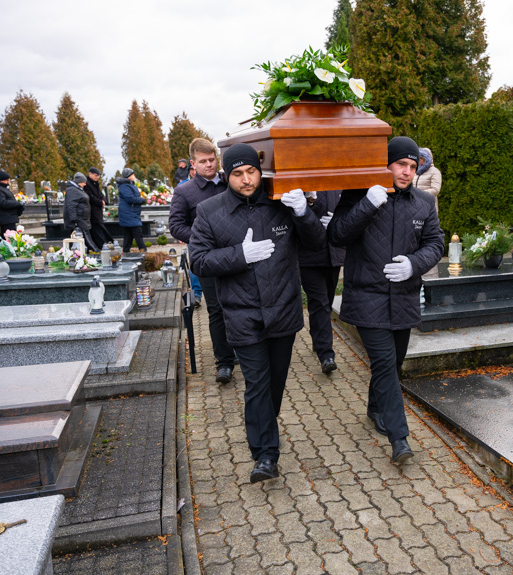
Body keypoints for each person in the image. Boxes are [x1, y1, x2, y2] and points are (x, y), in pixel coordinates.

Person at [189, 143, 325, 483]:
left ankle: (264, 425)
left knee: (275, 383)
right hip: (242, 313)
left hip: (283, 310)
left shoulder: (280, 205)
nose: (246, 180)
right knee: (257, 384)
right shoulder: (209, 211)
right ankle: (265, 455)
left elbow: (317, 243)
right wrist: (240, 254)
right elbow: (199, 260)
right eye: (237, 174)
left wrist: (304, 213)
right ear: (226, 175)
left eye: (251, 172)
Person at [328, 136, 444, 464]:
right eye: (400, 165)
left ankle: (374, 408)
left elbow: (435, 243)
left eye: (412, 166)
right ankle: (400, 438)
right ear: (386, 164)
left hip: (404, 297)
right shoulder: (359, 193)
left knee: (392, 363)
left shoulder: (423, 202)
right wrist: (367, 204)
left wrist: (414, 264)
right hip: (367, 297)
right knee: (384, 365)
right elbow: (336, 235)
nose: (406, 172)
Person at [169, 138, 237, 383]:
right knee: (217, 310)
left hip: (236, 255)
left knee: (239, 305)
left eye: (212, 160)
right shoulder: (185, 191)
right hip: (207, 259)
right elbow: (176, 225)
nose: (209, 165)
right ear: (193, 163)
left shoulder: (230, 183)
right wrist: (201, 239)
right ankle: (224, 362)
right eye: (203, 161)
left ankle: (241, 349)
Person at [298, 190, 345, 375]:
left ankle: (318, 340)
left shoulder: (337, 183)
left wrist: (339, 222)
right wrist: (309, 204)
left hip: (333, 252)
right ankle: (327, 355)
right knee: (320, 303)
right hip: (309, 254)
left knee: (327, 298)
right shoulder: (304, 180)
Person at [63, 172, 98, 250]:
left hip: (82, 217)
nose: (85, 184)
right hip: (79, 218)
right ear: (79, 181)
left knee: (86, 235)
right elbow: (71, 206)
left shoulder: (77, 189)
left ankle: (93, 250)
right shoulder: (72, 190)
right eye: (83, 182)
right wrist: (74, 220)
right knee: (85, 236)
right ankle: (95, 251)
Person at [117, 168, 146, 252]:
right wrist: (142, 200)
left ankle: (126, 251)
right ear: (128, 176)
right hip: (129, 213)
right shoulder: (124, 186)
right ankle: (143, 250)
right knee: (137, 233)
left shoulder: (130, 185)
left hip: (131, 212)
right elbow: (130, 198)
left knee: (128, 234)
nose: (134, 176)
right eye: (132, 174)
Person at [0, 170, 24, 239]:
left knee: (5, 237)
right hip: (5, 217)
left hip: (8, 217)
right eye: (7, 180)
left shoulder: (1, 187)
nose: (8, 182)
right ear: (1, 180)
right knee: (10, 238)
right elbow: (2, 203)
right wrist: (17, 203)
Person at [85, 167, 113, 249]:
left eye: (98, 176)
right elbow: (90, 197)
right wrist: (100, 202)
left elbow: (101, 195)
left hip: (98, 212)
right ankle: (102, 248)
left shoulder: (95, 183)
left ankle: (103, 246)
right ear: (90, 173)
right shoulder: (87, 184)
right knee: (98, 232)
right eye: (96, 175)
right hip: (92, 213)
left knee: (101, 231)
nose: (97, 177)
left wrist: (104, 200)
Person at [415, 147, 442, 214]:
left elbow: (435, 190)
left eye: (420, 158)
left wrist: (417, 194)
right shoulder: (415, 172)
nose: (418, 161)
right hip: (415, 207)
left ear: (426, 159)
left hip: (429, 208)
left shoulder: (435, 172)